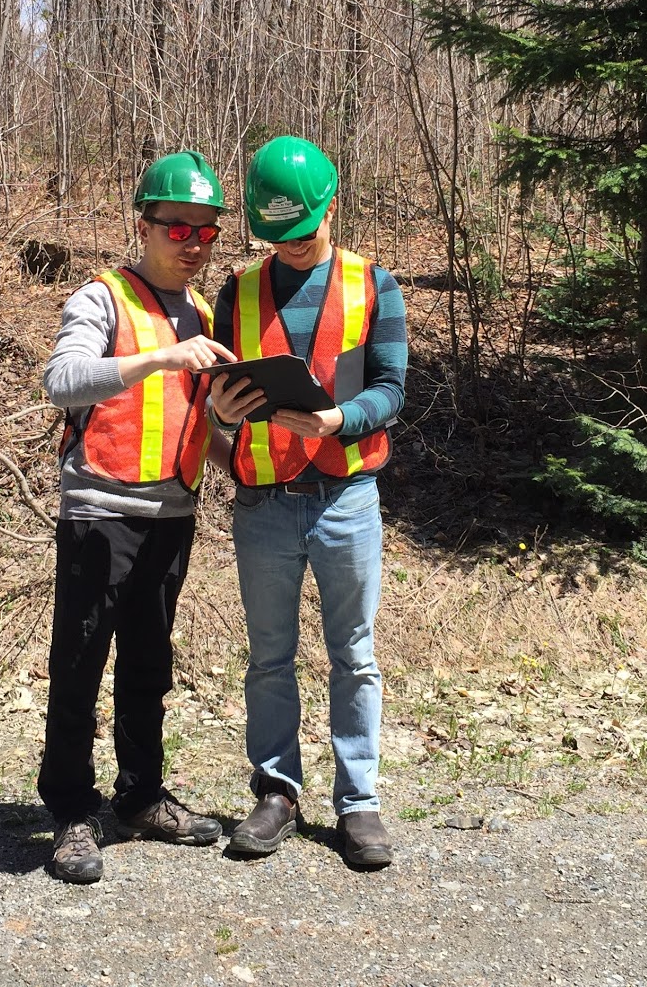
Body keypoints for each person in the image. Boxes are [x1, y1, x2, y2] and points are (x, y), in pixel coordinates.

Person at [208, 136, 407, 869]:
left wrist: (336, 420)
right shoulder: (239, 290)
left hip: (346, 497)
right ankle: (276, 792)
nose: (290, 248)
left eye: (303, 232)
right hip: (263, 505)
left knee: (353, 655)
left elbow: (391, 390)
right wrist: (224, 411)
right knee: (269, 657)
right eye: (275, 237)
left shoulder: (373, 285)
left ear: (331, 206)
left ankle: (358, 804)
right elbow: (218, 401)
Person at [38, 149, 235, 884]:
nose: (191, 244)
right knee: (79, 667)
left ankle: (141, 797)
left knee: (149, 667)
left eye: (206, 232)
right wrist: (159, 357)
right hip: (99, 513)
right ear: (143, 225)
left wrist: (241, 470)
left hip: (171, 515)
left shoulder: (205, 314)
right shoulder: (102, 300)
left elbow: (194, 423)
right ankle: (69, 812)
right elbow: (62, 382)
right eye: (176, 228)